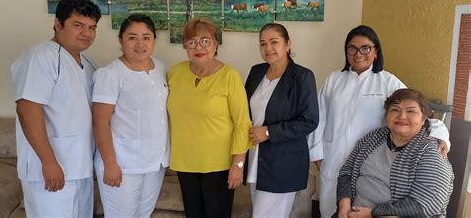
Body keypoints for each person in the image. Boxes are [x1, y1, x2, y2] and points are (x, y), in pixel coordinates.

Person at [309, 25, 451, 217]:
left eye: (365, 48)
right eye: (352, 48)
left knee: (360, 203)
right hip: (333, 157)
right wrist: (316, 151)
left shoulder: (388, 82)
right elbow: (319, 115)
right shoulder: (334, 79)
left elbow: (414, 111)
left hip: (371, 160)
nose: (358, 53)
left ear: (376, 52)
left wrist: (440, 135)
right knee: (331, 206)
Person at [10, 0, 101, 217]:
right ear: (58, 23)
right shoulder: (41, 57)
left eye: (92, 27)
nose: (86, 33)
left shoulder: (88, 64)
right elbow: (27, 109)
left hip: (80, 168)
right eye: (78, 25)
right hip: (50, 169)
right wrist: (49, 162)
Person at [167, 17, 251, 218]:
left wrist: (238, 165)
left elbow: (242, 123)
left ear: (215, 44)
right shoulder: (175, 73)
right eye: (192, 41)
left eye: (205, 40)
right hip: (184, 162)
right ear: (185, 46)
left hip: (219, 165)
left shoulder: (230, 75)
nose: (199, 47)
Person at [92, 14, 169, 217]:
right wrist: (110, 164)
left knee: (144, 214)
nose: (140, 44)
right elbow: (100, 122)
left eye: (146, 37)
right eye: (132, 37)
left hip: (155, 163)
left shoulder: (160, 68)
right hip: (122, 164)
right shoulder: (110, 74)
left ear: (153, 40)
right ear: (121, 40)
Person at [336, 89, 454, 217]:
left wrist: (372, 213)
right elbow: (347, 172)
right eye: (395, 110)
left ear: (424, 119)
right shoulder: (373, 138)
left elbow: (425, 205)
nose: (402, 116)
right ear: (386, 115)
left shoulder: (431, 152)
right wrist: (344, 206)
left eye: (411, 111)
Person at [245, 23, 319, 217]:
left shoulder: (302, 76)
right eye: (262, 43)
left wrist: (269, 132)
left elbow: (309, 120)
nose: (268, 48)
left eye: (274, 42)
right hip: (255, 157)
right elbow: (244, 112)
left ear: (288, 45)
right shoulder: (256, 72)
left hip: (283, 162)